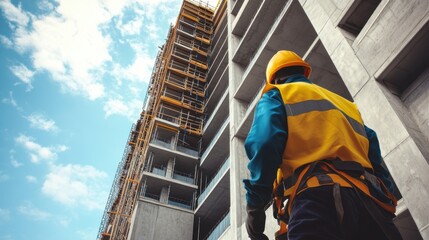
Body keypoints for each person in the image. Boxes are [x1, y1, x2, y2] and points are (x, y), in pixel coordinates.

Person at [243, 50, 403, 240]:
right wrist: (387, 197)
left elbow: (264, 144)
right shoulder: (346, 105)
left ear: (275, 80)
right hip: (368, 203)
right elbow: (373, 153)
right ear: (304, 73)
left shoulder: (277, 95)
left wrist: (255, 207)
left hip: (317, 200)